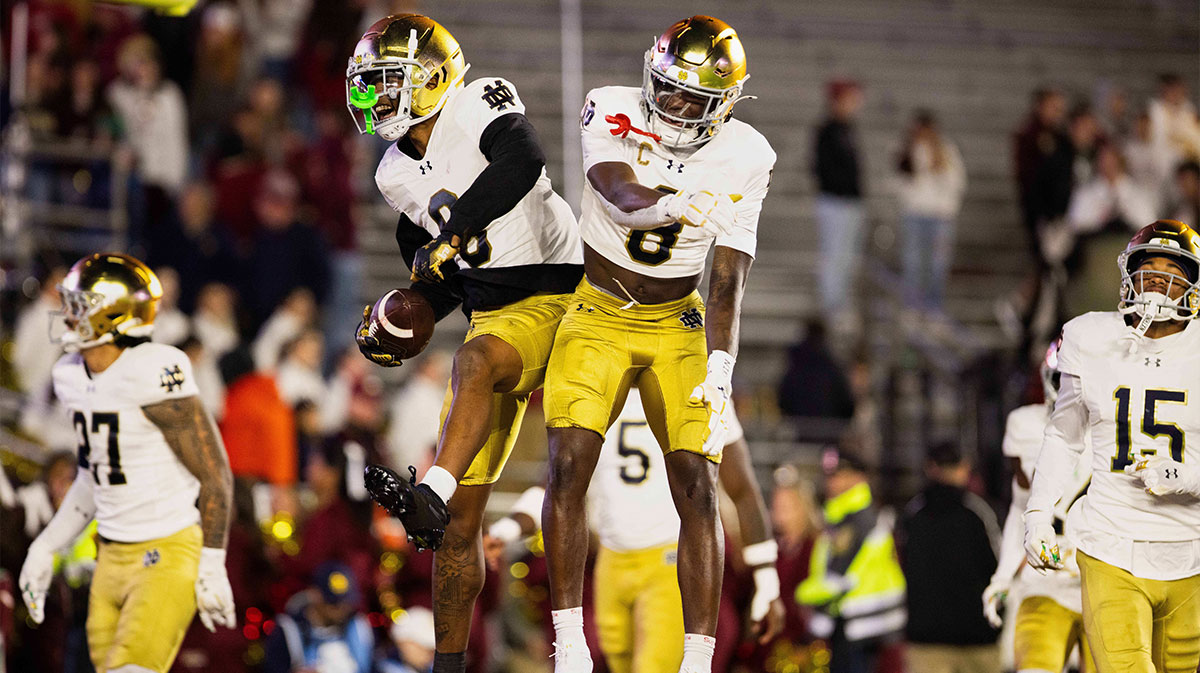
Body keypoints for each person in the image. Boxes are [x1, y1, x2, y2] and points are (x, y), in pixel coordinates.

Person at [539, 15, 775, 673]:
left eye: (687, 96)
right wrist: (680, 200)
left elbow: (729, 274)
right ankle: (568, 641)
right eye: (665, 87)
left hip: (679, 318)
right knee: (566, 461)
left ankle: (696, 658)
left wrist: (723, 362)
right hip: (598, 307)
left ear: (721, 104)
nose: (669, 103)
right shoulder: (610, 106)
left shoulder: (747, 154)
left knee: (698, 479)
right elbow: (616, 192)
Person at [347, 14, 583, 673]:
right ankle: (447, 665)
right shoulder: (394, 175)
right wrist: (404, 320)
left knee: (473, 362)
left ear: (432, 79)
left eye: (386, 82)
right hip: (495, 314)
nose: (373, 98)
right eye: (368, 85)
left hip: (561, 293)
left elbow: (522, 160)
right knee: (454, 531)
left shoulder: (479, 100)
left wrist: (450, 239)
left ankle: (432, 487)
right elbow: (439, 280)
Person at [17, 252, 236, 673]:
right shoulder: (69, 374)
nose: (66, 313)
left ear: (113, 316)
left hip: (167, 550)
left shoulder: (154, 369)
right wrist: (46, 546)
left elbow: (214, 474)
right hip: (109, 558)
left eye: (79, 305)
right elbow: (94, 476)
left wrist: (211, 565)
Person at [487, 390, 785, 673]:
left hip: (670, 561)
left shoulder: (694, 383)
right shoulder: (596, 386)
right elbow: (556, 484)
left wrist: (767, 577)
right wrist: (508, 528)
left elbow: (742, 488)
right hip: (612, 563)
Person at [1023, 219, 1200, 673]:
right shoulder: (1089, 336)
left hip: (1192, 553)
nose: (1159, 280)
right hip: (1110, 544)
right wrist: (1039, 514)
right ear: (1129, 274)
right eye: (1149, 268)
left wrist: (1188, 476)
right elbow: (1064, 434)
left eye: (1173, 270)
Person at [983, 341, 1095, 673]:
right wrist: (1002, 577)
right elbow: (1022, 509)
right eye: (1066, 380)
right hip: (1046, 582)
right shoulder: (1026, 426)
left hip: (1106, 584)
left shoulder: (1122, 430)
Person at [797, 449, 906, 673]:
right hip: (856, 620)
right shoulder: (843, 515)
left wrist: (800, 595)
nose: (831, 481)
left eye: (839, 474)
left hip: (861, 622)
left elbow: (836, 578)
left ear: (859, 477)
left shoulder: (858, 519)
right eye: (829, 475)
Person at [899, 443, 1001, 673]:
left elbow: (901, 566)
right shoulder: (978, 511)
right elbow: (999, 566)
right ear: (964, 467)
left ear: (929, 468)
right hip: (978, 638)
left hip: (926, 641)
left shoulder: (913, 513)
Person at [894, 110, 967, 311]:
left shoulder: (947, 151)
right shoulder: (906, 151)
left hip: (940, 218)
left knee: (938, 265)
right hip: (915, 215)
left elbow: (957, 183)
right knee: (913, 264)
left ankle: (933, 309)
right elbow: (899, 183)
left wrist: (939, 169)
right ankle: (912, 307)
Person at [813, 78, 865, 330]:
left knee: (846, 257)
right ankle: (832, 307)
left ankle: (840, 304)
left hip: (849, 202)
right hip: (835, 201)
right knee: (834, 256)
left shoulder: (848, 129)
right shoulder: (827, 130)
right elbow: (822, 168)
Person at [264, 562, 374, 673]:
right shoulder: (288, 631)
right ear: (315, 594)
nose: (342, 610)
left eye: (346, 603)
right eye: (334, 604)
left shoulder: (358, 627)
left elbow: (374, 666)